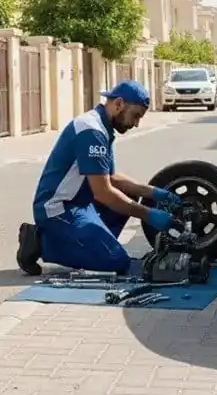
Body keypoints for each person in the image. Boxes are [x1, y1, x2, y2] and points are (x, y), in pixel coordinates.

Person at [16, 80, 183, 276]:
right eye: (136, 116)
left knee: (126, 193)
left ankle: (91, 245)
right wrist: (149, 215)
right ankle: (39, 241)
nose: (136, 124)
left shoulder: (102, 126)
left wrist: (156, 193)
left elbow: (110, 178)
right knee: (117, 261)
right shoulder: (91, 130)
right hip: (59, 210)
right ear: (119, 104)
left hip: (82, 203)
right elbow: (103, 192)